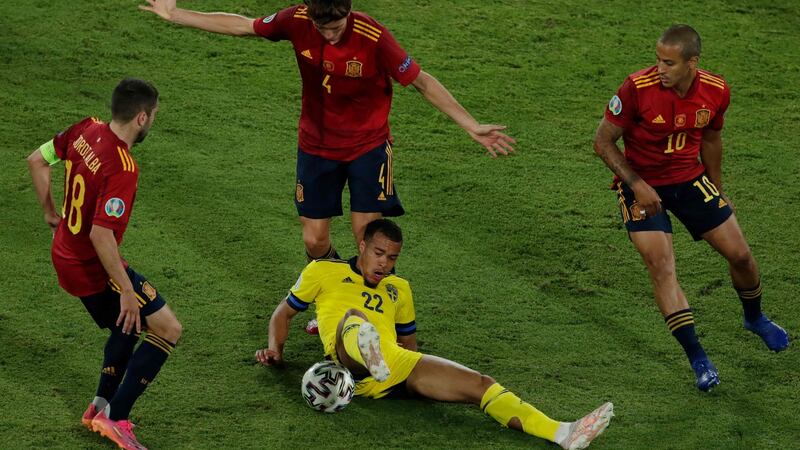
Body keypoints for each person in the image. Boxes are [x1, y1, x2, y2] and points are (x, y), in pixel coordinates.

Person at [138, 0, 515, 262]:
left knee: (370, 239)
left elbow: (421, 82)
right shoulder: (297, 19)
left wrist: (470, 124)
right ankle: (335, 291)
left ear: (348, 13)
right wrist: (177, 15)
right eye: (323, 29)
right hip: (316, 147)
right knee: (314, 239)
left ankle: (370, 314)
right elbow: (242, 26)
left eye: (335, 28)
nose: (330, 36)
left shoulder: (374, 37)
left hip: (368, 146)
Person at [255, 219, 613, 450]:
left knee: (480, 383)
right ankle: (369, 349)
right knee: (354, 319)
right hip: (349, 365)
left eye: (392, 257)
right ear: (362, 245)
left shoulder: (400, 289)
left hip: (395, 366)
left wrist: (421, 380)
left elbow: (409, 345)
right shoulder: (323, 271)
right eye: (379, 253)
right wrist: (276, 351)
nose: (385, 264)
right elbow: (283, 314)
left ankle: (562, 433)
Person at [593, 25, 789, 392]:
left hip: (689, 180)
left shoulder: (716, 90)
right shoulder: (636, 88)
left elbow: (712, 138)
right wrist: (637, 185)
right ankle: (698, 357)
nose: (659, 68)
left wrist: (717, 188)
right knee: (662, 267)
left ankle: (755, 318)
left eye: (668, 62)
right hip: (641, 186)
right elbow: (602, 141)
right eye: (657, 59)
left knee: (742, 256)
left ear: (692, 63)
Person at [27, 78, 182, 450]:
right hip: (90, 264)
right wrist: (127, 291)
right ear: (142, 117)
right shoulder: (124, 167)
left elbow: (37, 160)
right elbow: (101, 236)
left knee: (126, 327)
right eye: (154, 116)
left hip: (65, 253)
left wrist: (51, 213)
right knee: (166, 328)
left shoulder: (86, 128)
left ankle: (98, 407)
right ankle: (116, 417)